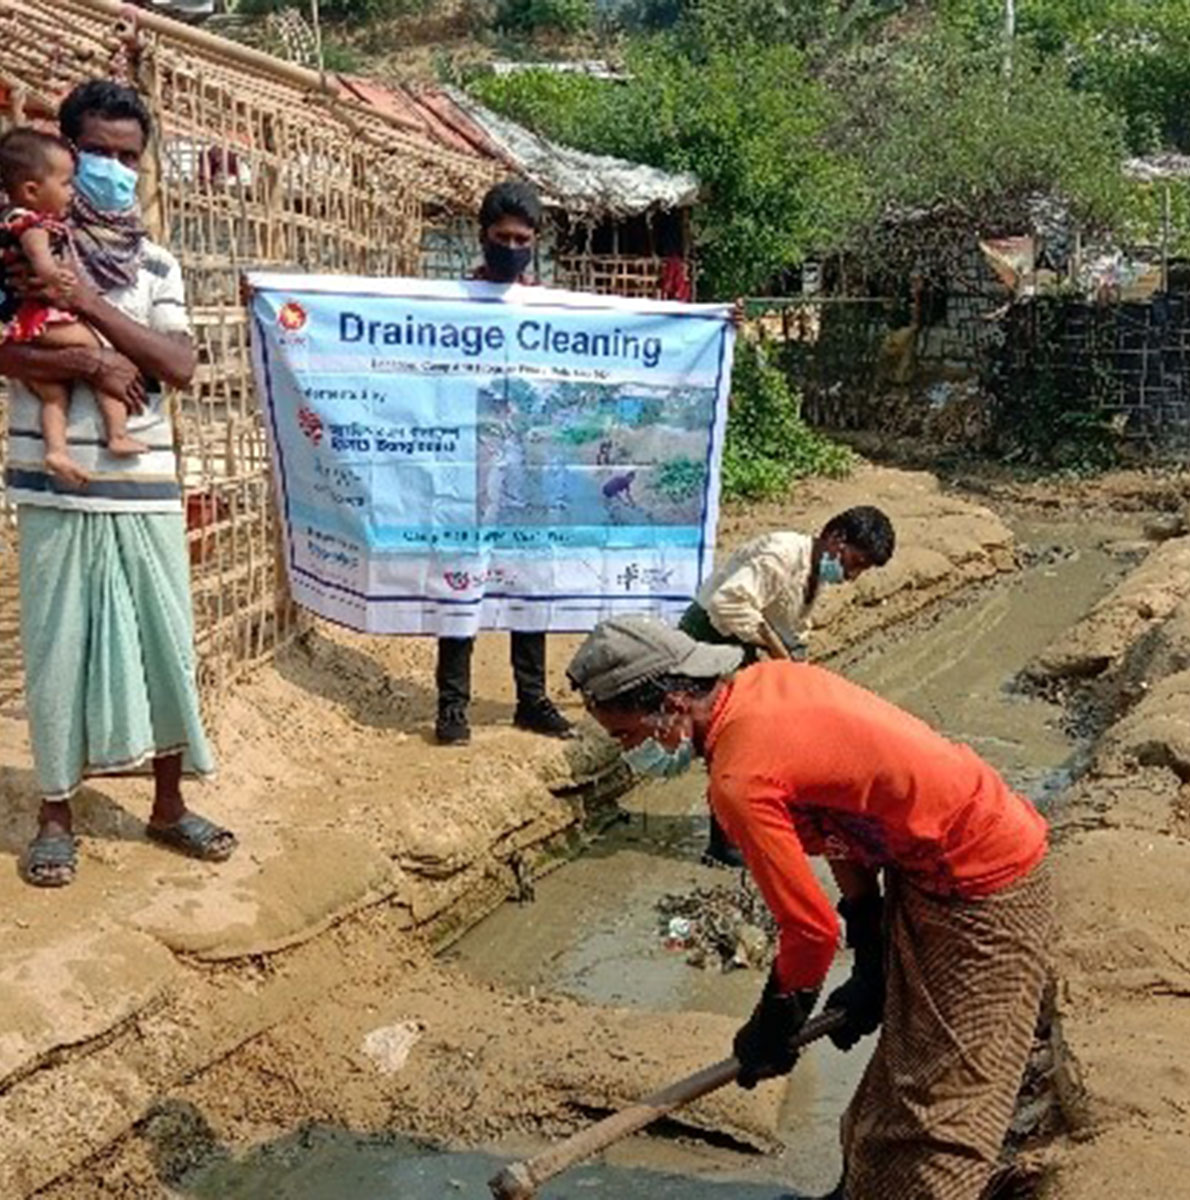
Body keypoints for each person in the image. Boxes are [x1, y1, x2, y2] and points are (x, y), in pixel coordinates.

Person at [567, 616, 1053, 1200]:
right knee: (901, 1066)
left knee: (945, 1094)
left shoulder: (739, 775)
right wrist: (870, 945)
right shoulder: (765, 683)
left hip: (985, 884)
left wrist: (775, 1023)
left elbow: (809, 930)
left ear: (671, 703)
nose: (632, 753)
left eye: (627, 736)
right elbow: (840, 818)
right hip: (926, 868)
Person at [0, 79, 235, 886]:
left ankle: (169, 805)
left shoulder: (154, 260)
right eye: (100, 154)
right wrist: (86, 360)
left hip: (144, 481)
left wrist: (91, 311)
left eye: (129, 156)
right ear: (66, 154)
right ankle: (55, 813)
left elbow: (179, 363)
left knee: (165, 646)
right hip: (55, 482)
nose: (115, 168)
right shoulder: (21, 246)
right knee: (57, 650)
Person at [435, 180, 574, 747]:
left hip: (529, 460)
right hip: (467, 462)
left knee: (529, 578)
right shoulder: (448, 306)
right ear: (482, 237)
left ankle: (531, 700)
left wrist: (718, 325)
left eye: (523, 239)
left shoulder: (549, 307)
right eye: (502, 237)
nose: (512, 247)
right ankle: (451, 707)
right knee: (461, 581)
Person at [681, 505, 896, 867]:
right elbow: (728, 604)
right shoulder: (780, 554)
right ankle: (723, 842)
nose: (852, 575)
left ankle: (741, 825)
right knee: (729, 741)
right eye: (854, 562)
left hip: (740, 646)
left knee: (759, 733)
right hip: (709, 639)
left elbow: (793, 629)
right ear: (836, 539)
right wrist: (772, 645)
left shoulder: (813, 571)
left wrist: (803, 675)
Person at [0, 128, 146, 481]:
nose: (72, 191)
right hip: (37, 317)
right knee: (104, 352)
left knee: (53, 396)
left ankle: (57, 452)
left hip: (4, 322)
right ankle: (118, 433)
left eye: (127, 157)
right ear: (32, 190)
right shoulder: (35, 223)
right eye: (65, 184)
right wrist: (54, 278)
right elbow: (41, 258)